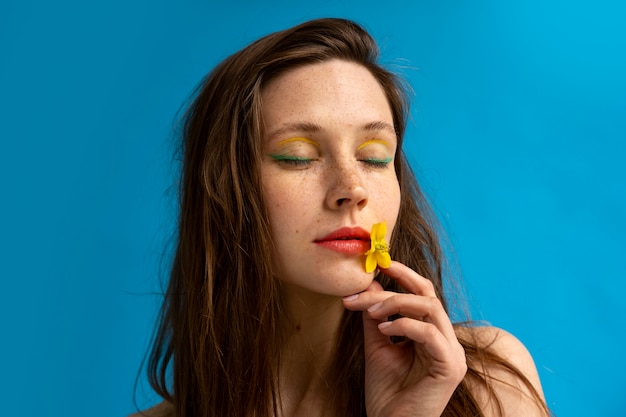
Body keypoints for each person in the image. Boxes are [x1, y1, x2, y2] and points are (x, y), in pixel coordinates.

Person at [132, 18, 550, 417]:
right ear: (227, 191)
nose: (352, 188)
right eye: (297, 157)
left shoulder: (491, 385)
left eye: (374, 157)